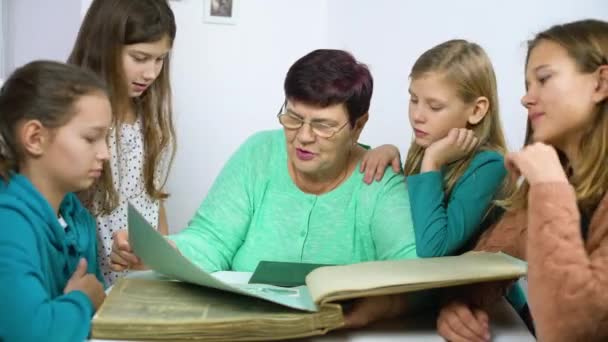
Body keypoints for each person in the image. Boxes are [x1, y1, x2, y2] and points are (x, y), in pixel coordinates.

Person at [111, 49, 418, 325]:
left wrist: (377, 308)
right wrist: (162, 253)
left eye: (323, 125)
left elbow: (414, 274)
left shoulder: (380, 179)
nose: (304, 137)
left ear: (358, 125)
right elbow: (211, 239)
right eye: (294, 118)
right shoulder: (259, 152)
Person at [436, 19, 608, 342]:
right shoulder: (556, 176)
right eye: (527, 84)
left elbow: (573, 329)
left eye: (543, 79)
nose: (526, 99)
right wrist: (458, 303)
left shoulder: (550, 181)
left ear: (601, 83)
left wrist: (549, 187)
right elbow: (490, 259)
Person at [361, 39, 508, 258]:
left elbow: (433, 250)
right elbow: (406, 225)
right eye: (413, 99)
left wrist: (432, 163)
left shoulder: (489, 166)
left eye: (434, 106)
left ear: (477, 110)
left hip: (464, 291)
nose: (417, 115)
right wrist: (391, 154)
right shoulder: (427, 146)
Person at [0, 61, 111, 341]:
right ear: (35, 138)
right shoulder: (8, 223)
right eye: (91, 138)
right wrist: (83, 300)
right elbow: (31, 334)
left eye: (106, 139)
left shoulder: (79, 218)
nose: (105, 153)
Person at [68, 0, 177, 286]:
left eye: (159, 59)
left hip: (143, 278)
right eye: (140, 58)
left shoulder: (147, 115)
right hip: (94, 280)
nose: (151, 73)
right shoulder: (76, 118)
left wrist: (163, 261)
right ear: (104, 47)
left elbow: (153, 198)